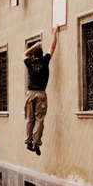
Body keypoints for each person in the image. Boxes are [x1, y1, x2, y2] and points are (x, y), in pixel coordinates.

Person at [23, 26, 59, 156]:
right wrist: (55, 33)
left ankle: (28, 142)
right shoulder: (45, 61)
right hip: (41, 93)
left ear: (33, 56)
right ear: (42, 54)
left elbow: (24, 54)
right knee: (39, 119)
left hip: (30, 93)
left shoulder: (29, 62)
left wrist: (34, 46)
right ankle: (36, 143)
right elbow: (52, 47)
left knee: (29, 119)